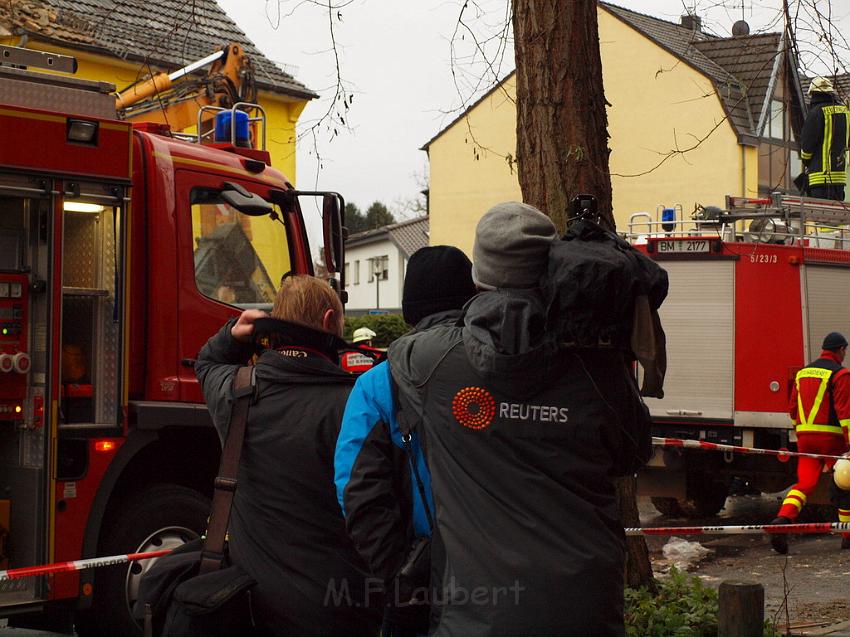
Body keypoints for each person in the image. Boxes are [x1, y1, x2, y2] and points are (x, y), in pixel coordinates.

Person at [382, 203, 651, 636]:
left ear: (476, 279)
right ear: (550, 270)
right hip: (583, 608)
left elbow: (406, 352)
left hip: (476, 613)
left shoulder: (427, 362)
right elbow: (633, 453)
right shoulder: (598, 369)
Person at [195, 275, 381, 636]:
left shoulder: (234, 392)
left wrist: (234, 331)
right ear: (330, 322)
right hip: (338, 608)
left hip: (248, 604)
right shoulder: (356, 405)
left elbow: (206, 361)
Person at [334, 245, 477, 635]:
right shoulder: (503, 367)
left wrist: (398, 571)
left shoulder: (378, 383)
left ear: (410, 308)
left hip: (421, 576)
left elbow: (355, 488)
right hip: (501, 566)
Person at [770, 331, 850, 554]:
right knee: (845, 484)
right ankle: (847, 536)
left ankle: (782, 521)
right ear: (841, 350)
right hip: (832, 440)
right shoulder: (841, 374)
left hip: (805, 440)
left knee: (804, 484)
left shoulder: (803, 373)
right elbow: (845, 414)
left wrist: (800, 432)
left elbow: (793, 410)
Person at [801, 76, 850, 201]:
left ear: (812, 94)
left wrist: (807, 162)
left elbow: (807, 147)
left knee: (820, 217)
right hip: (839, 179)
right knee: (836, 217)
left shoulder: (816, 113)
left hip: (819, 179)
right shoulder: (846, 113)